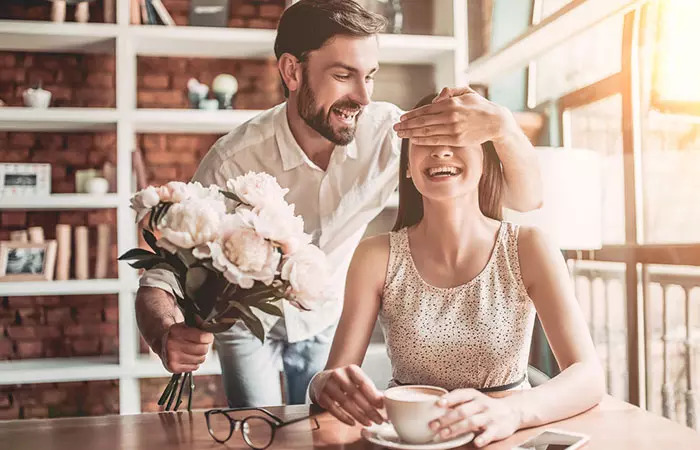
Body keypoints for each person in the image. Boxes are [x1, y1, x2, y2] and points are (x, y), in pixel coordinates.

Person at [134, 0, 543, 408]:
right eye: (344, 75)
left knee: (319, 425)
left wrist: (502, 128)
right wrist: (164, 333)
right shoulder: (232, 160)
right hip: (245, 323)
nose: (363, 96)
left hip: (326, 315)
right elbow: (160, 277)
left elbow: (526, 198)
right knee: (256, 428)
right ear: (292, 71)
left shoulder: (390, 132)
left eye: (370, 76)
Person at [308, 92, 604, 447]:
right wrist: (321, 385)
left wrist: (513, 412)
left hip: (504, 439)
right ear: (406, 164)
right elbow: (335, 375)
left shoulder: (529, 247)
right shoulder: (376, 254)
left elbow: (588, 376)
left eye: (456, 139)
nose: (440, 151)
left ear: (485, 159)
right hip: (411, 442)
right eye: (426, 140)